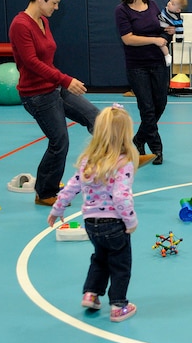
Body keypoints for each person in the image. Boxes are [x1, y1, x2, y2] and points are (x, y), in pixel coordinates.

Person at [9, 0, 101, 207]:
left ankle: (116, 162)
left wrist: (61, 82)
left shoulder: (44, 20)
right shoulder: (20, 25)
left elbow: (47, 60)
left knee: (96, 118)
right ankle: (45, 191)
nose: (57, 7)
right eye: (54, 3)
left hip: (54, 88)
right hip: (36, 95)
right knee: (59, 141)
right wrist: (66, 79)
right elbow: (31, 62)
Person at [47, 104, 139, 322]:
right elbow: (121, 196)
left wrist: (57, 208)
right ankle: (118, 305)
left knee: (99, 258)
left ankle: (91, 294)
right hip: (115, 224)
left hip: (91, 223)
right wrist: (131, 220)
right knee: (120, 264)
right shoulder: (123, 162)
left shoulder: (89, 159)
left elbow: (72, 185)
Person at [115, 0, 173, 165]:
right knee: (147, 109)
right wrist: (155, 40)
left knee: (160, 104)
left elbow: (165, 30)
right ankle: (157, 149)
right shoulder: (122, 10)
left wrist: (167, 34)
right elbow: (128, 39)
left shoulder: (154, 6)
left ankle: (138, 140)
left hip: (158, 64)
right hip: (137, 67)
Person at [158, 0, 188, 66]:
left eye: (172, 4)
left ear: (177, 10)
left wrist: (179, 39)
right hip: (159, 29)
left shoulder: (177, 19)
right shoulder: (167, 10)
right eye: (170, 1)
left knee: (161, 43)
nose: (169, 3)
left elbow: (180, 29)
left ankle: (167, 55)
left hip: (166, 32)